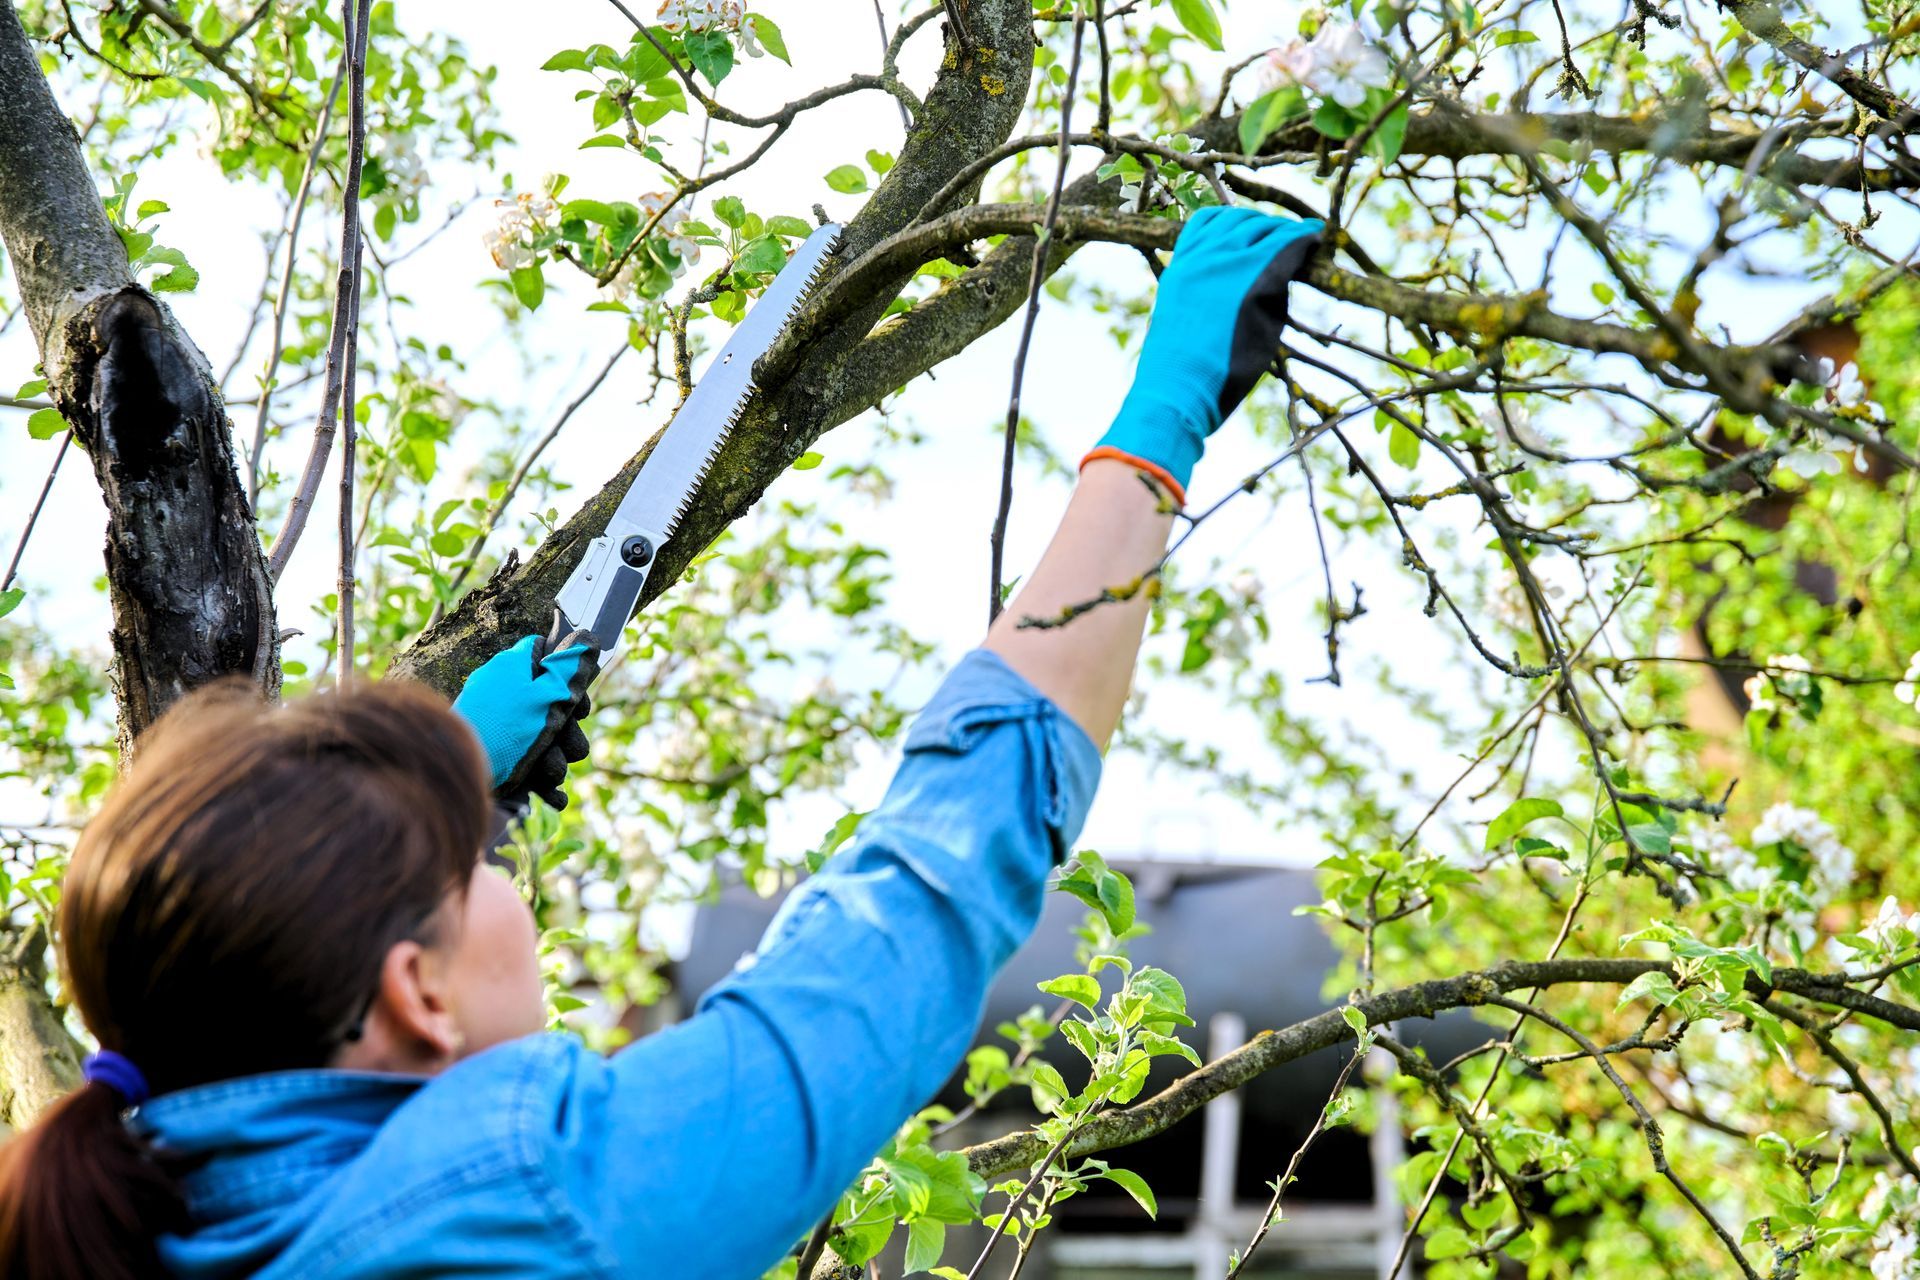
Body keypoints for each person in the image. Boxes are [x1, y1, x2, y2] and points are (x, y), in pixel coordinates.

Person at [0, 206, 1321, 1279]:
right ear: (415, 992)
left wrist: (450, 783)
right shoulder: (526, 1210)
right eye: (484, 872)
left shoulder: (133, 1234)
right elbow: (931, 885)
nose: (504, 873)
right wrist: (1159, 421)